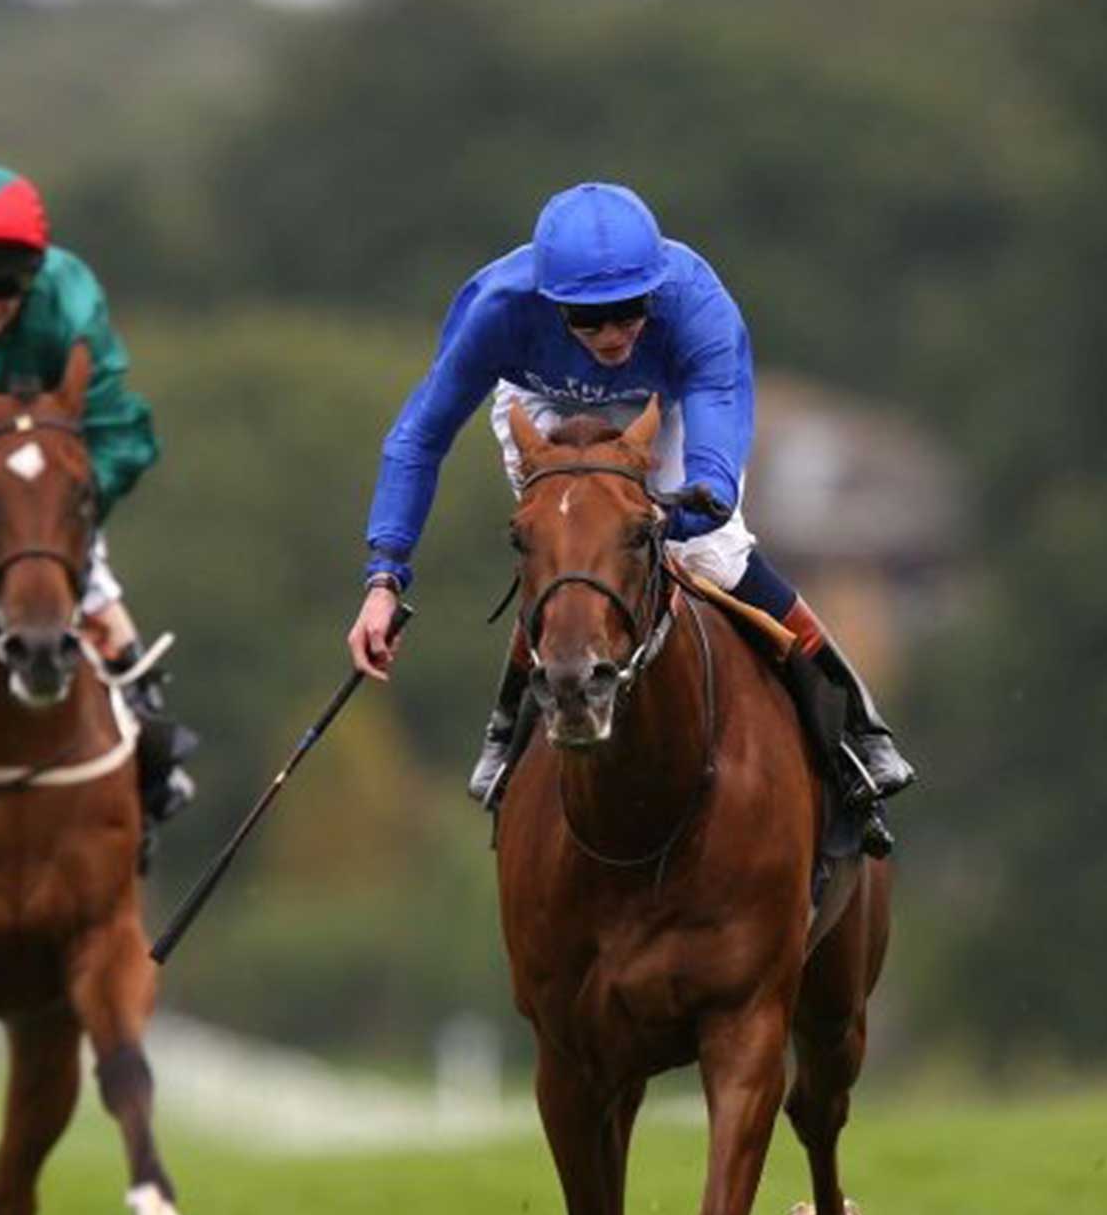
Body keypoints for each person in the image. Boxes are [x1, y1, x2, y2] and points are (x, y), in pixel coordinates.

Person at [344, 181, 915, 848]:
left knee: (712, 556)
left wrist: (673, 518)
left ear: (656, 291)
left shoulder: (697, 307)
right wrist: (384, 579)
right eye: (589, 320)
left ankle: (853, 727)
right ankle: (509, 724)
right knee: (566, 547)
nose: (613, 335)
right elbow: (418, 439)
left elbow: (714, 460)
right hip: (543, 403)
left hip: (664, 408)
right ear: (551, 305)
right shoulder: (498, 309)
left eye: (629, 312)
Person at [0, 161, 195, 856]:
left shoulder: (70, 299)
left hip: (51, 455)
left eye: (3, 287)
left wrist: (61, 521)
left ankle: (148, 747)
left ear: (33, 276)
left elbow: (121, 429)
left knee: (58, 559)